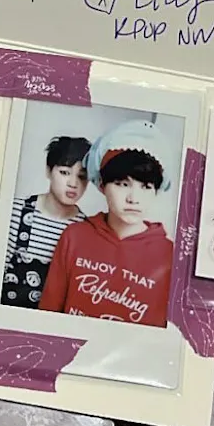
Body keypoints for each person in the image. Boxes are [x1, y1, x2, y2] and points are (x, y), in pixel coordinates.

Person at [40, 119, 175, 326]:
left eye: (146, 187)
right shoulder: (75, 236)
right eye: (122, 184)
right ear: (102, 184)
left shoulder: (170, 256)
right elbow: (46, 317)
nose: (134, 198)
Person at [1, 135, 90, 309]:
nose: (73, 183)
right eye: (64, 173)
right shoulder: (15, 211)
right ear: (48, 171)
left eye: (82, 177)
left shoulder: (86, 230)